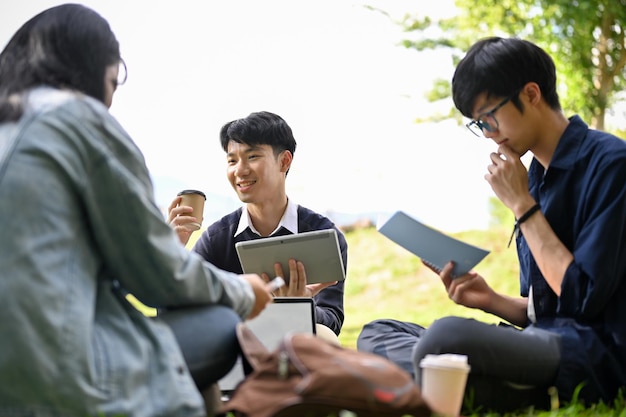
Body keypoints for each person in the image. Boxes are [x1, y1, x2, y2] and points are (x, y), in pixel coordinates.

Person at [0, 4, 274, 417]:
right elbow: (159, 277)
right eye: (114, 81)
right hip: (49, 378)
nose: (110, 99)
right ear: (98, 70)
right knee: (220, 320)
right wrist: (244, 291)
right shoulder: (77, 118)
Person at [357, 36, 626, 412]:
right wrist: (488, 300)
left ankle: (439, 384)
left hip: (592, 353)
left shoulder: (611, 165)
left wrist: (522, 206)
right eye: (477, 124)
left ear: (531, 94)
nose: (487, 134)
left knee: (445, 336)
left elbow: (581, 300)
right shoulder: (533, 177)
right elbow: (545, 309)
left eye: (489, 118)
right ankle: (477, 386)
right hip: (542, 341)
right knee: (379, 332)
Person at [168, 111, 347, 342]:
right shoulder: (217, 238)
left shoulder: (323, 235)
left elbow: (332, 321)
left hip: (299, 344)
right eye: (232, 160)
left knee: (326, 338)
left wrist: (301, 304)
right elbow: (180, 317)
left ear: (284, 161)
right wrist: (172, 252)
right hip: (232, 346)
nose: (239, 170)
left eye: (252, 156)